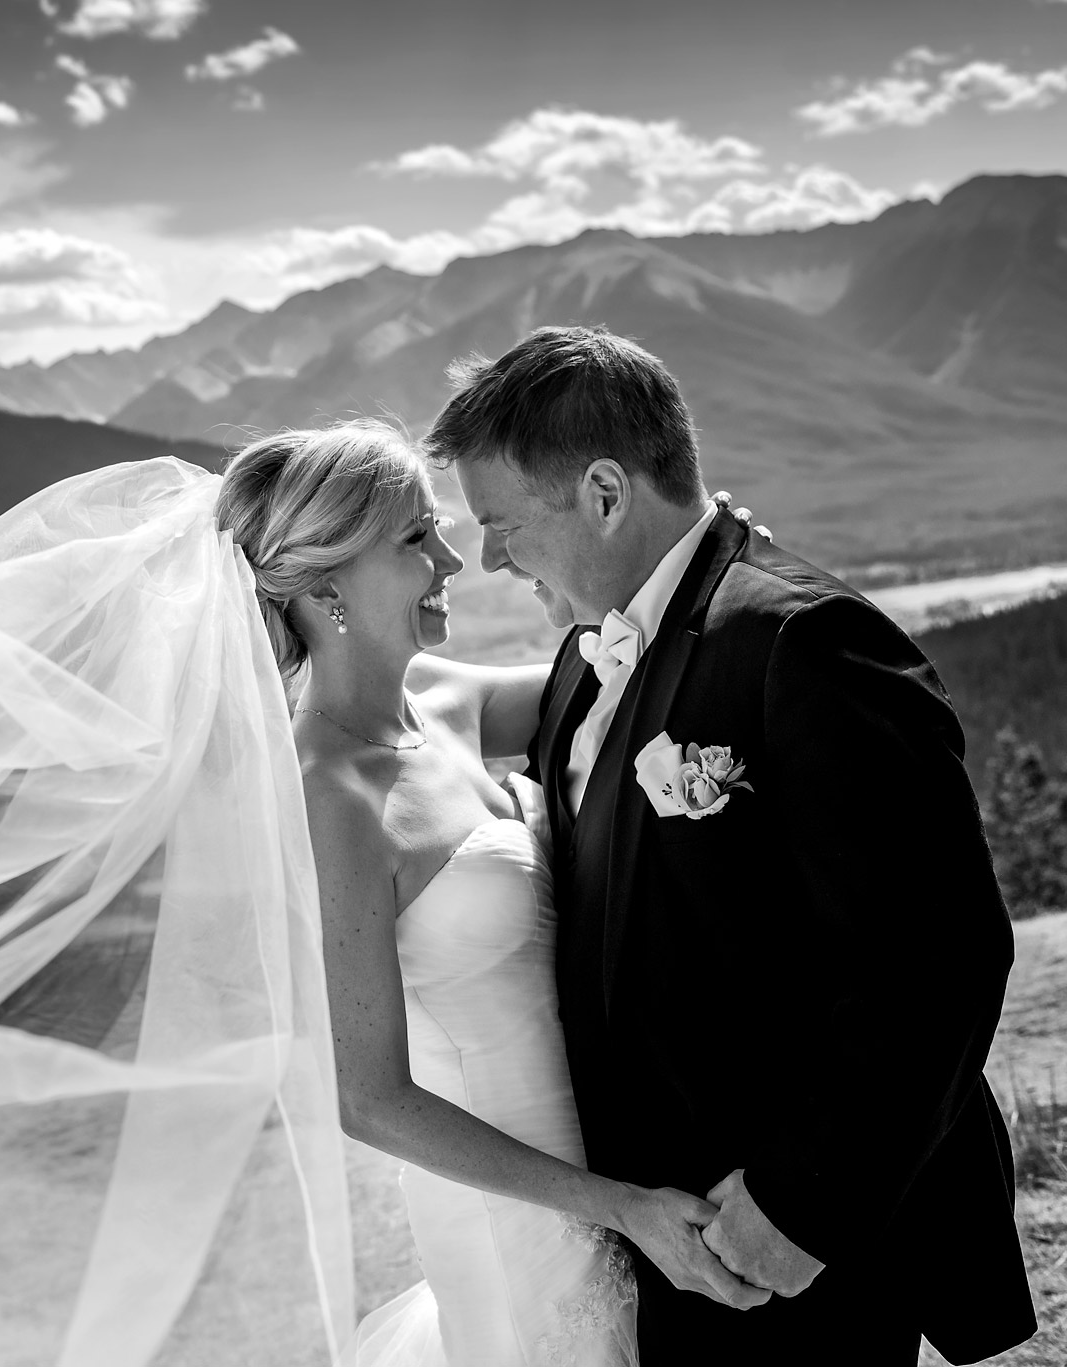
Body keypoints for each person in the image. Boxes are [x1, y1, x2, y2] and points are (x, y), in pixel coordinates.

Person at [427, 325, 1036, 1365]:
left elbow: (937, 961)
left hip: (786, 1247)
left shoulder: (802, 644)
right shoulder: (585, 652)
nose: (486, 555)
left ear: (605, 494)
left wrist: (797, 1207)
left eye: (499, 523)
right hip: (660, 1237)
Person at [214, 423, 762, 1367]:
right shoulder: (328, 796)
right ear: (324, 585)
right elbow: (371, 1098)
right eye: (414, 540)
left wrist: (705, 562)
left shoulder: (443, 696)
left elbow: (631, 666)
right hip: (520, 1218)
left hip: (610, 1154)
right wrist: (619, 1207)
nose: (452, 557)